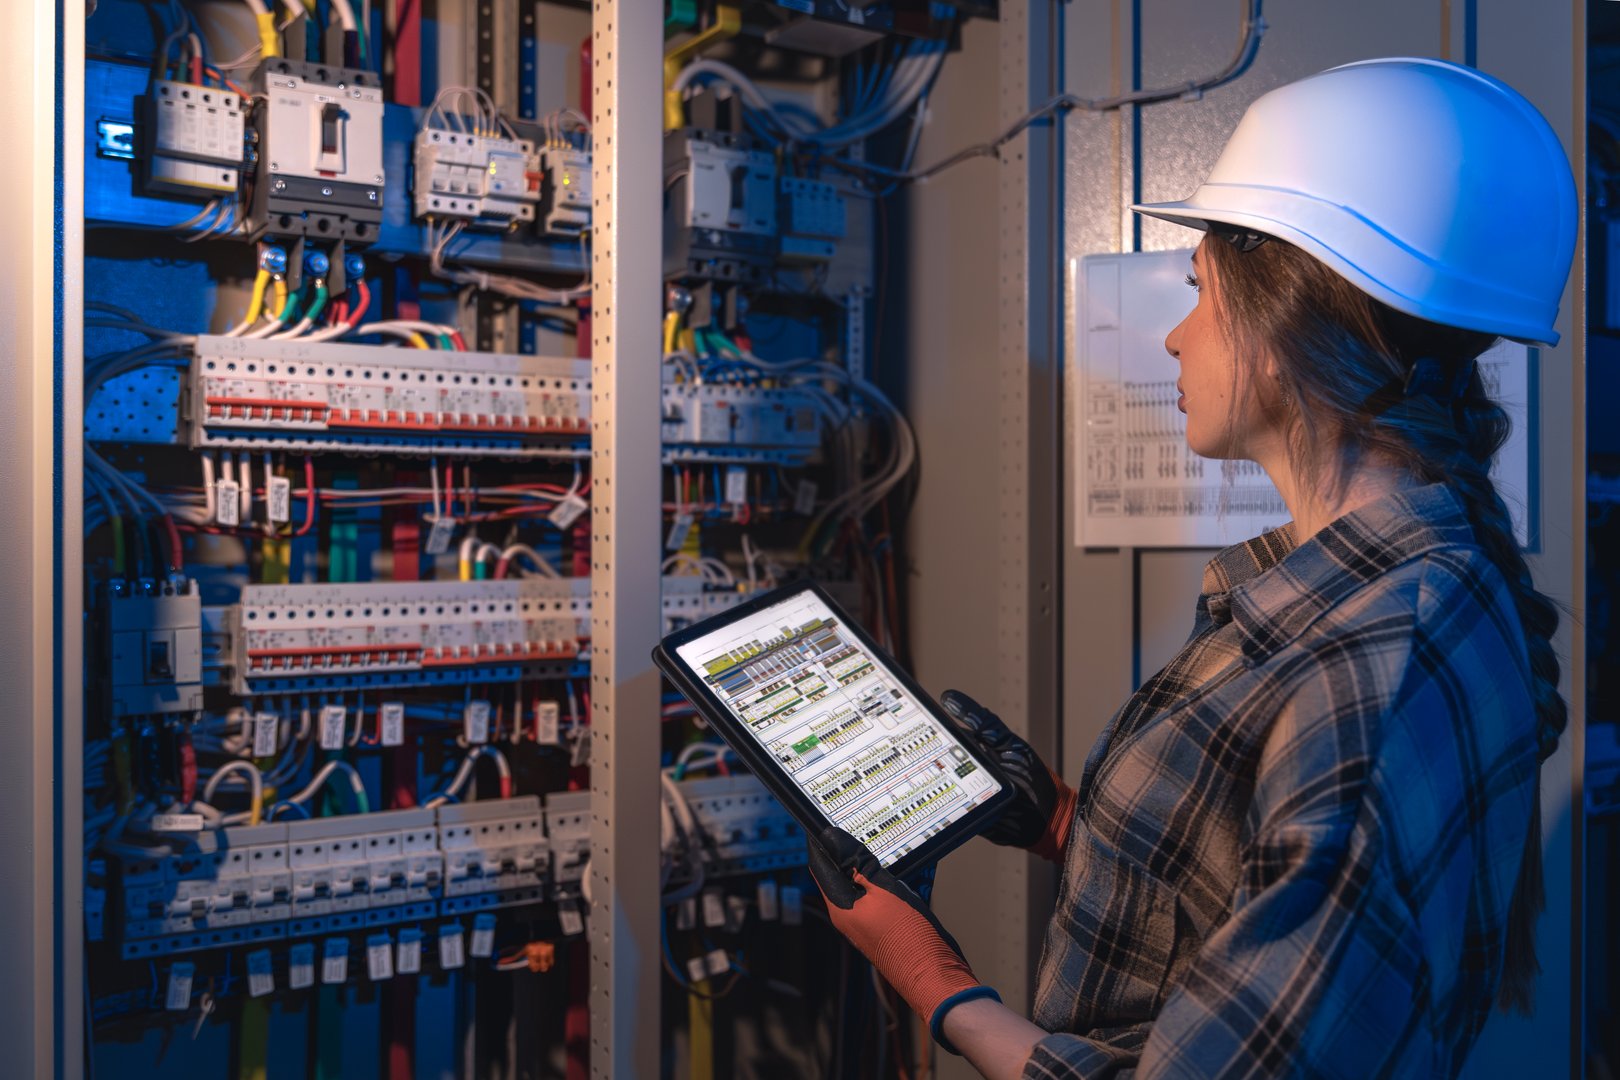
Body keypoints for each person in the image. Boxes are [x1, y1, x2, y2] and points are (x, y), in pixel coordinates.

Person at [807, 56, 1577, 1079]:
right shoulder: (1408, 588)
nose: (1173, 336)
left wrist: (933, 980)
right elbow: (1254, 895)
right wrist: (1059, 820)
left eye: (1199, 292)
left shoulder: (1369, 671)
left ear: (1286, 316)